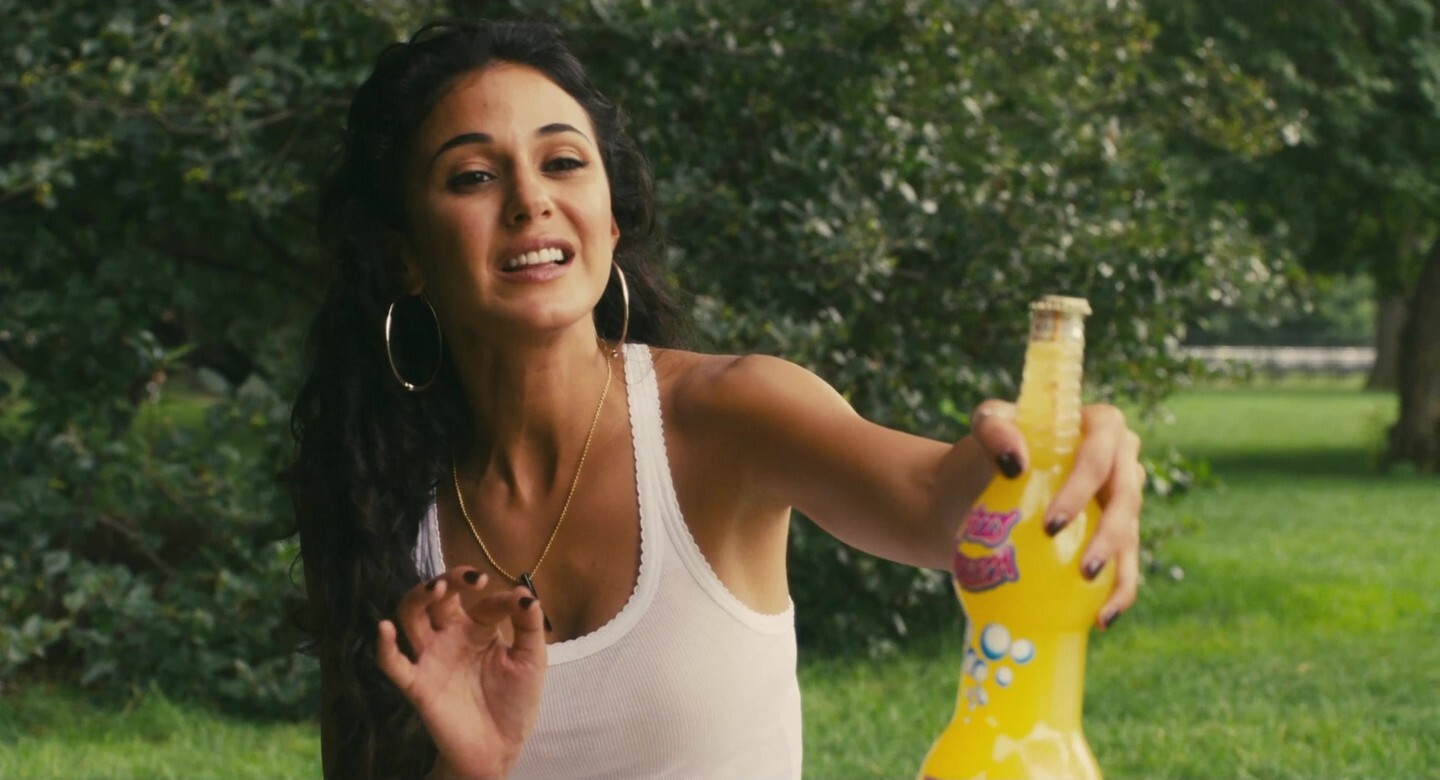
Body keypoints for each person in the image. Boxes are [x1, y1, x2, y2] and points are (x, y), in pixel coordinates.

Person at [289, 18, 1144, 780]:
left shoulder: (726, 418)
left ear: (609, 221)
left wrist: (1056, 458)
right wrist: (469, 771)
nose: (531, 201)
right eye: (474, 176)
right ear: (405, 255)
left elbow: (938, 505)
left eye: (563, 162)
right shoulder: (377, 502)